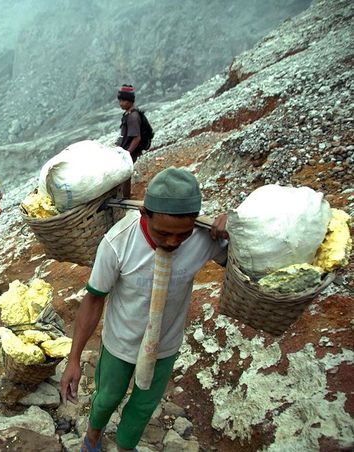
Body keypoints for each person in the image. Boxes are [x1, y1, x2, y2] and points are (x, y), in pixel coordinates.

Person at [59, 167, 229, 452]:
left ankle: (126, 447)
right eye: (163, 233)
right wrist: (74, 358)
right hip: (120, 343)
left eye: (182, 235)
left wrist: (233, 229)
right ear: (144, 214)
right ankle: (92, 439)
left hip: (164, 345)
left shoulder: (202, 237)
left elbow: (244, 262)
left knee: (143, 406)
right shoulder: (118, 242)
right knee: (107, 398)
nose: (173, 242)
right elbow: (94, 299)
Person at [116, 84, 142, 199]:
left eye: (123, 100)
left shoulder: (133, 117)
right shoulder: (127, 114)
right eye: (120, 100)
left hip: (129, 151)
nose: (121, 103)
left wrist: (128, 153)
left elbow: (137, 137)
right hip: (125, 149)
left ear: (130, 101)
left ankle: (126, 198)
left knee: (126, 175)